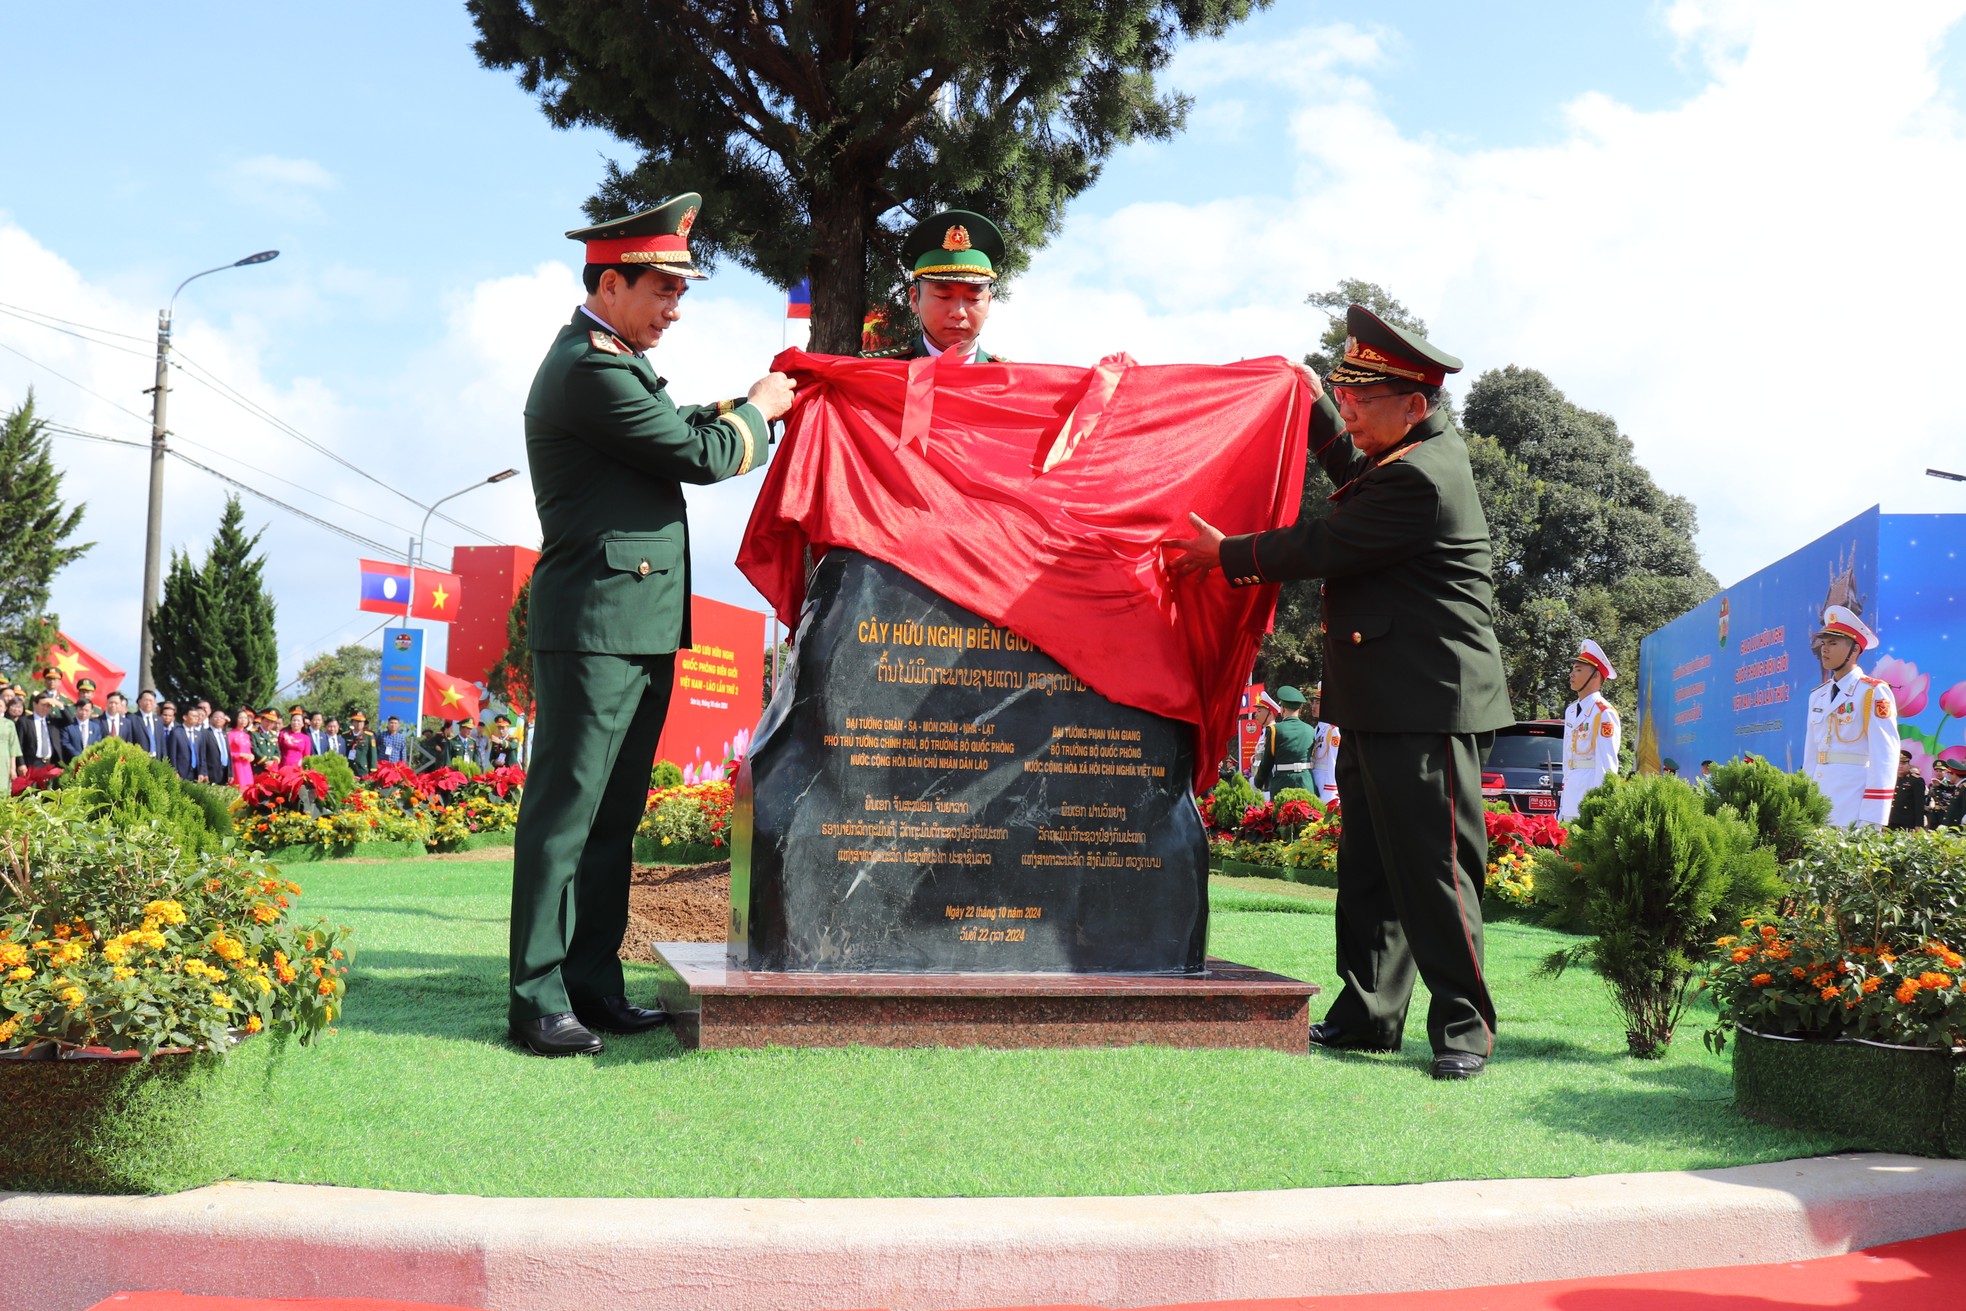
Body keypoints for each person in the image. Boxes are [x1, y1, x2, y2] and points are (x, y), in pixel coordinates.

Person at [1164, 305, 1511, 1081]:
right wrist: (1310, 402)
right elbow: (1353, 470)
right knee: (1368, 871)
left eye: (1361, 395)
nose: (1347, 405)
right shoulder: (1404, 456)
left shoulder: (1423, 480)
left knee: (1434, 872)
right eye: (1342, 391)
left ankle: (1464, 1027)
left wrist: (1225, 554)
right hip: (1380, 699)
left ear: (1414, 405)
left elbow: (1326, 541)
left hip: (1429, 703)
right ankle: (1368, 1015)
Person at [509, 192, 795, 1058]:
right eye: (663, 290)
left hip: (630, 627)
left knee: (611, 821)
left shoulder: (615, 365)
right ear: (611, 281)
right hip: (597, 627)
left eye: (680, 290)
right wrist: (758, 409)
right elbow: (697, 456)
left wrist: (742, 408)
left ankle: (593, 987)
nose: (675, 309)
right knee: (565, 817)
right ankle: (535, 998)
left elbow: (675, 429)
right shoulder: (589, 368)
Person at [862, 210, 1008, 363]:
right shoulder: (874, 374)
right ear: (914, 299)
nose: (958, 313)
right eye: (944, 297)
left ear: (988, 302)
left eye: (973, 299)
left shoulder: (1012, 381)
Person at [1803, 605, 1899, 827]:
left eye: (1833, 643)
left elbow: (1885, 756)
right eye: (1823, 643)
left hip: (1854, 802)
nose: (1824, 650)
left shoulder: (1873, 692)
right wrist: (1804, 801)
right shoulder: (1817, 695)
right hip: (1818, 800)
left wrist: (1873, 818)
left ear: (1854, 650)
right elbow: (1811, 755)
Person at [1560, 640, 1621, 821]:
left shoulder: (1604, 712)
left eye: (1578, 670)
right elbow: (1567, 758)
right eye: (1573, 669)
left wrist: (1600, 804)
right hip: (1570, 793)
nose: (1572, 674)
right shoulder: (1571, 710)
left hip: (1589, 793)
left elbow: (1607, 764)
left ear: (1595, 676)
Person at [1252, 685, 1317, 797]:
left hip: (1283, 784)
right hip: (1306, 783)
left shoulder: (1274, 730)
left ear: (1282, 709)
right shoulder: (1311, 730)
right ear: (1300, 709)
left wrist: (1257, 782)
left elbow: (1267, 762)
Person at [1305, 682, 1341, 807]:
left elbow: (1333, 761)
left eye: (1318, 702)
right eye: (1313, 702)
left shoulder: (1333, 730)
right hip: (1315, 781)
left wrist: (1331, 790)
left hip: (1327, 785)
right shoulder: (1316, 729)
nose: (1313, 706)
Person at [167, 705, 213, 783]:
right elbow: (172, 755)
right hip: (181, 772)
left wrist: (202, 772)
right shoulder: (176, 732)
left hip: (196, 773)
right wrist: (174, 771)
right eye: (193, 716)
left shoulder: (199, 734)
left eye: (197, 716)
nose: (197, 718)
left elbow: (202, 755)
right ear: (185, 717)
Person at [19, 693, 61, 771]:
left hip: (50, 762)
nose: (45, 708)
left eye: (48, 706)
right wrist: (21, 764)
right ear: (35, 704)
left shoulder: (53, 720)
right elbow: (19, 745)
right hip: (32, 762)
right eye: (43, 705)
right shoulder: (25, 721)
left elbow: (69, 721)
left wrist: (60, 705)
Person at [1889, 751, 1927, 830]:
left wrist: (1918, 825)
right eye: (1898, 763)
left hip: (1906, 823)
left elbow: (1919, 804)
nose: (1900, 766)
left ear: (1909, 765)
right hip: (1890, 820)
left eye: (1903, 764)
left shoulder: (1916, 780)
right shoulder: (1891, 779)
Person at [125, 690, 168, 759]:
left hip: (157, 759)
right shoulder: (131, 718)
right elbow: (129, 741)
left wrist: (164, 759)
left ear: (155, 703)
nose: (148, 703)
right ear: (139, 702)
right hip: (139, 759)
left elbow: (162, 742)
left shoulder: (159, 720)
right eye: (146, 700)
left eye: (151, 700)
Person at [228, 708, 257, 789]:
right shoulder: (230, 734)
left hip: (246, 766)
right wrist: (240, 755)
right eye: (240, 718)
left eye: (245, 718)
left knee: (249, 788)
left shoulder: (247, 735)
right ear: (235, 719)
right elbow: (227, 753)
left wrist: (251, 755)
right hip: (236, 767)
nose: (243, 720)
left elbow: (248, 750)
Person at [0, 699, 18, 780]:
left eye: (0, 706)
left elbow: (13, 747)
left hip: (4, 760)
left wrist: (12, 769)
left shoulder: (9, 724)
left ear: (5, 708)